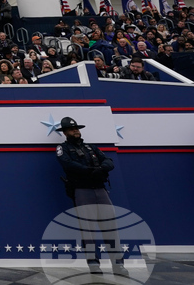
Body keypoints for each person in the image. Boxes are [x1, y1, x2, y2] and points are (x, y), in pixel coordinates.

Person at [55, 117, 128, 277]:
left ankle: (118, 265)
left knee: (110, 227)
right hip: (82, 190)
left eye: (77, 128)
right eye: (72, 129)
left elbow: (108, 161)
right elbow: (68, 164)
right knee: (88, 230)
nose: (76, 131)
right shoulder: (63, 148)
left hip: (100, 190)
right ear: (65, 132)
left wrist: (101, 168)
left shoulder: (91, 147)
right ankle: (94, 264)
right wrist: (90, 170)